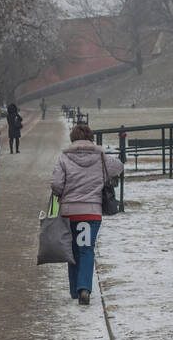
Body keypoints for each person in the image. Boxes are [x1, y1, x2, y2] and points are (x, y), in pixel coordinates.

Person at [50, 123, 123, 305]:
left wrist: (64, 193)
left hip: (69, 213)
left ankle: (75, 290)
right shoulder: (100, 156)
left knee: (72, 250)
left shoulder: (64, 157)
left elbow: (57, 184)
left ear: (73, 138)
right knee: (86, 249)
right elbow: (119, 167)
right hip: (91, 212)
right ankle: (84, 288)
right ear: (90, 137)